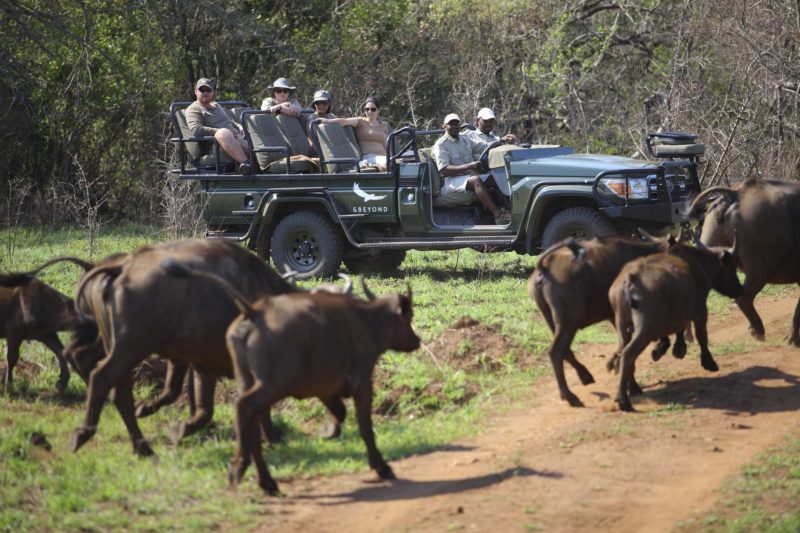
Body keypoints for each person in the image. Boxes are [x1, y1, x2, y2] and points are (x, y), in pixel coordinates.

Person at [431, 113, 511, 225]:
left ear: (460, 125)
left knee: (494, 178)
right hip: (450, 181)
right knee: (476, 180)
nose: (454, 126)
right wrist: (469, 166)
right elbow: (445, 169)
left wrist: (501, 141)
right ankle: (498, 215)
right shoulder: (441, 145)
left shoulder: (464, 139)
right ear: (444, 126)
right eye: (451, 124)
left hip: (467, 177)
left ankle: (509, 211)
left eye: (456, 123)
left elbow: (484, 146)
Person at [184, 78, 252, 174]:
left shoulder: (216, 105)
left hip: (236, 138)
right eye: (202, 90)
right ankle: (247, 164)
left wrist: (239, 126)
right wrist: (222, 131)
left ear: (212, 93)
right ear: (196, 92)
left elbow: (229, 121)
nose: (205, 92)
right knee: (223, 133)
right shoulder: (193, 109)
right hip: (216, 145)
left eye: (208, 90)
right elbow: (196, 130)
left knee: (254, 128)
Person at [318, 96, 388, 171]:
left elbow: (385, 144)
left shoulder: (384, 125)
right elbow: (344, 121)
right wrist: (327, 121)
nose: (369, 112)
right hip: (368, 157)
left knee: (398, 161)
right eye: (367, 109)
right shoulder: (360, 121)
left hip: (382, 157)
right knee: (390, 163)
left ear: (378, 110)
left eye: (373, 109)